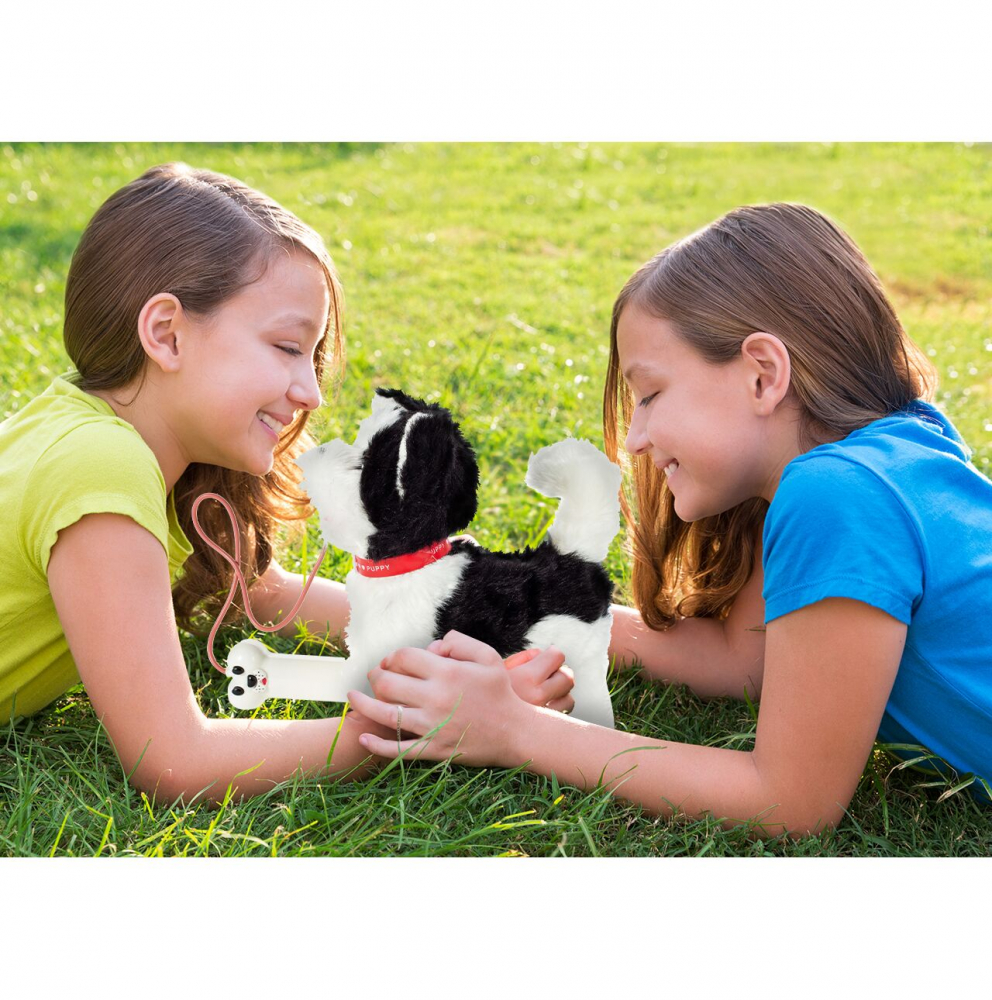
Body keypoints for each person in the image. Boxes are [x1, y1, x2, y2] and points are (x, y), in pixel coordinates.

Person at [348, 203, 992, 836]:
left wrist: (515, 730)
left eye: (651, 395)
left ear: (763, 376)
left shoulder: (838, 496)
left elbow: (789, 801)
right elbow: (745, 660)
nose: (635, 439)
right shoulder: (887, 458)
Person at [0, 163, 572, 804]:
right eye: (286, 347)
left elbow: (262, 594)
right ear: (167, 335)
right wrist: (434, 722)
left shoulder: (125, 440)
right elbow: (175, 760)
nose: (311, 393)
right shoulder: (100, 465)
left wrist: (501, 617)